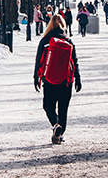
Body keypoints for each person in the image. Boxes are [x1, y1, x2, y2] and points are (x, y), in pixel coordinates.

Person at [34, 14, 81, 144]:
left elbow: (38, 60)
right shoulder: (68, 41)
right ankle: (60, 133)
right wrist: (78, 78)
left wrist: (36, 77)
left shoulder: (45, 41)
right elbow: (74, 61)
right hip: (66, 80)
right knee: (63, 108)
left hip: (49, 79)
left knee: (48, 106)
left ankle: (55, 125)